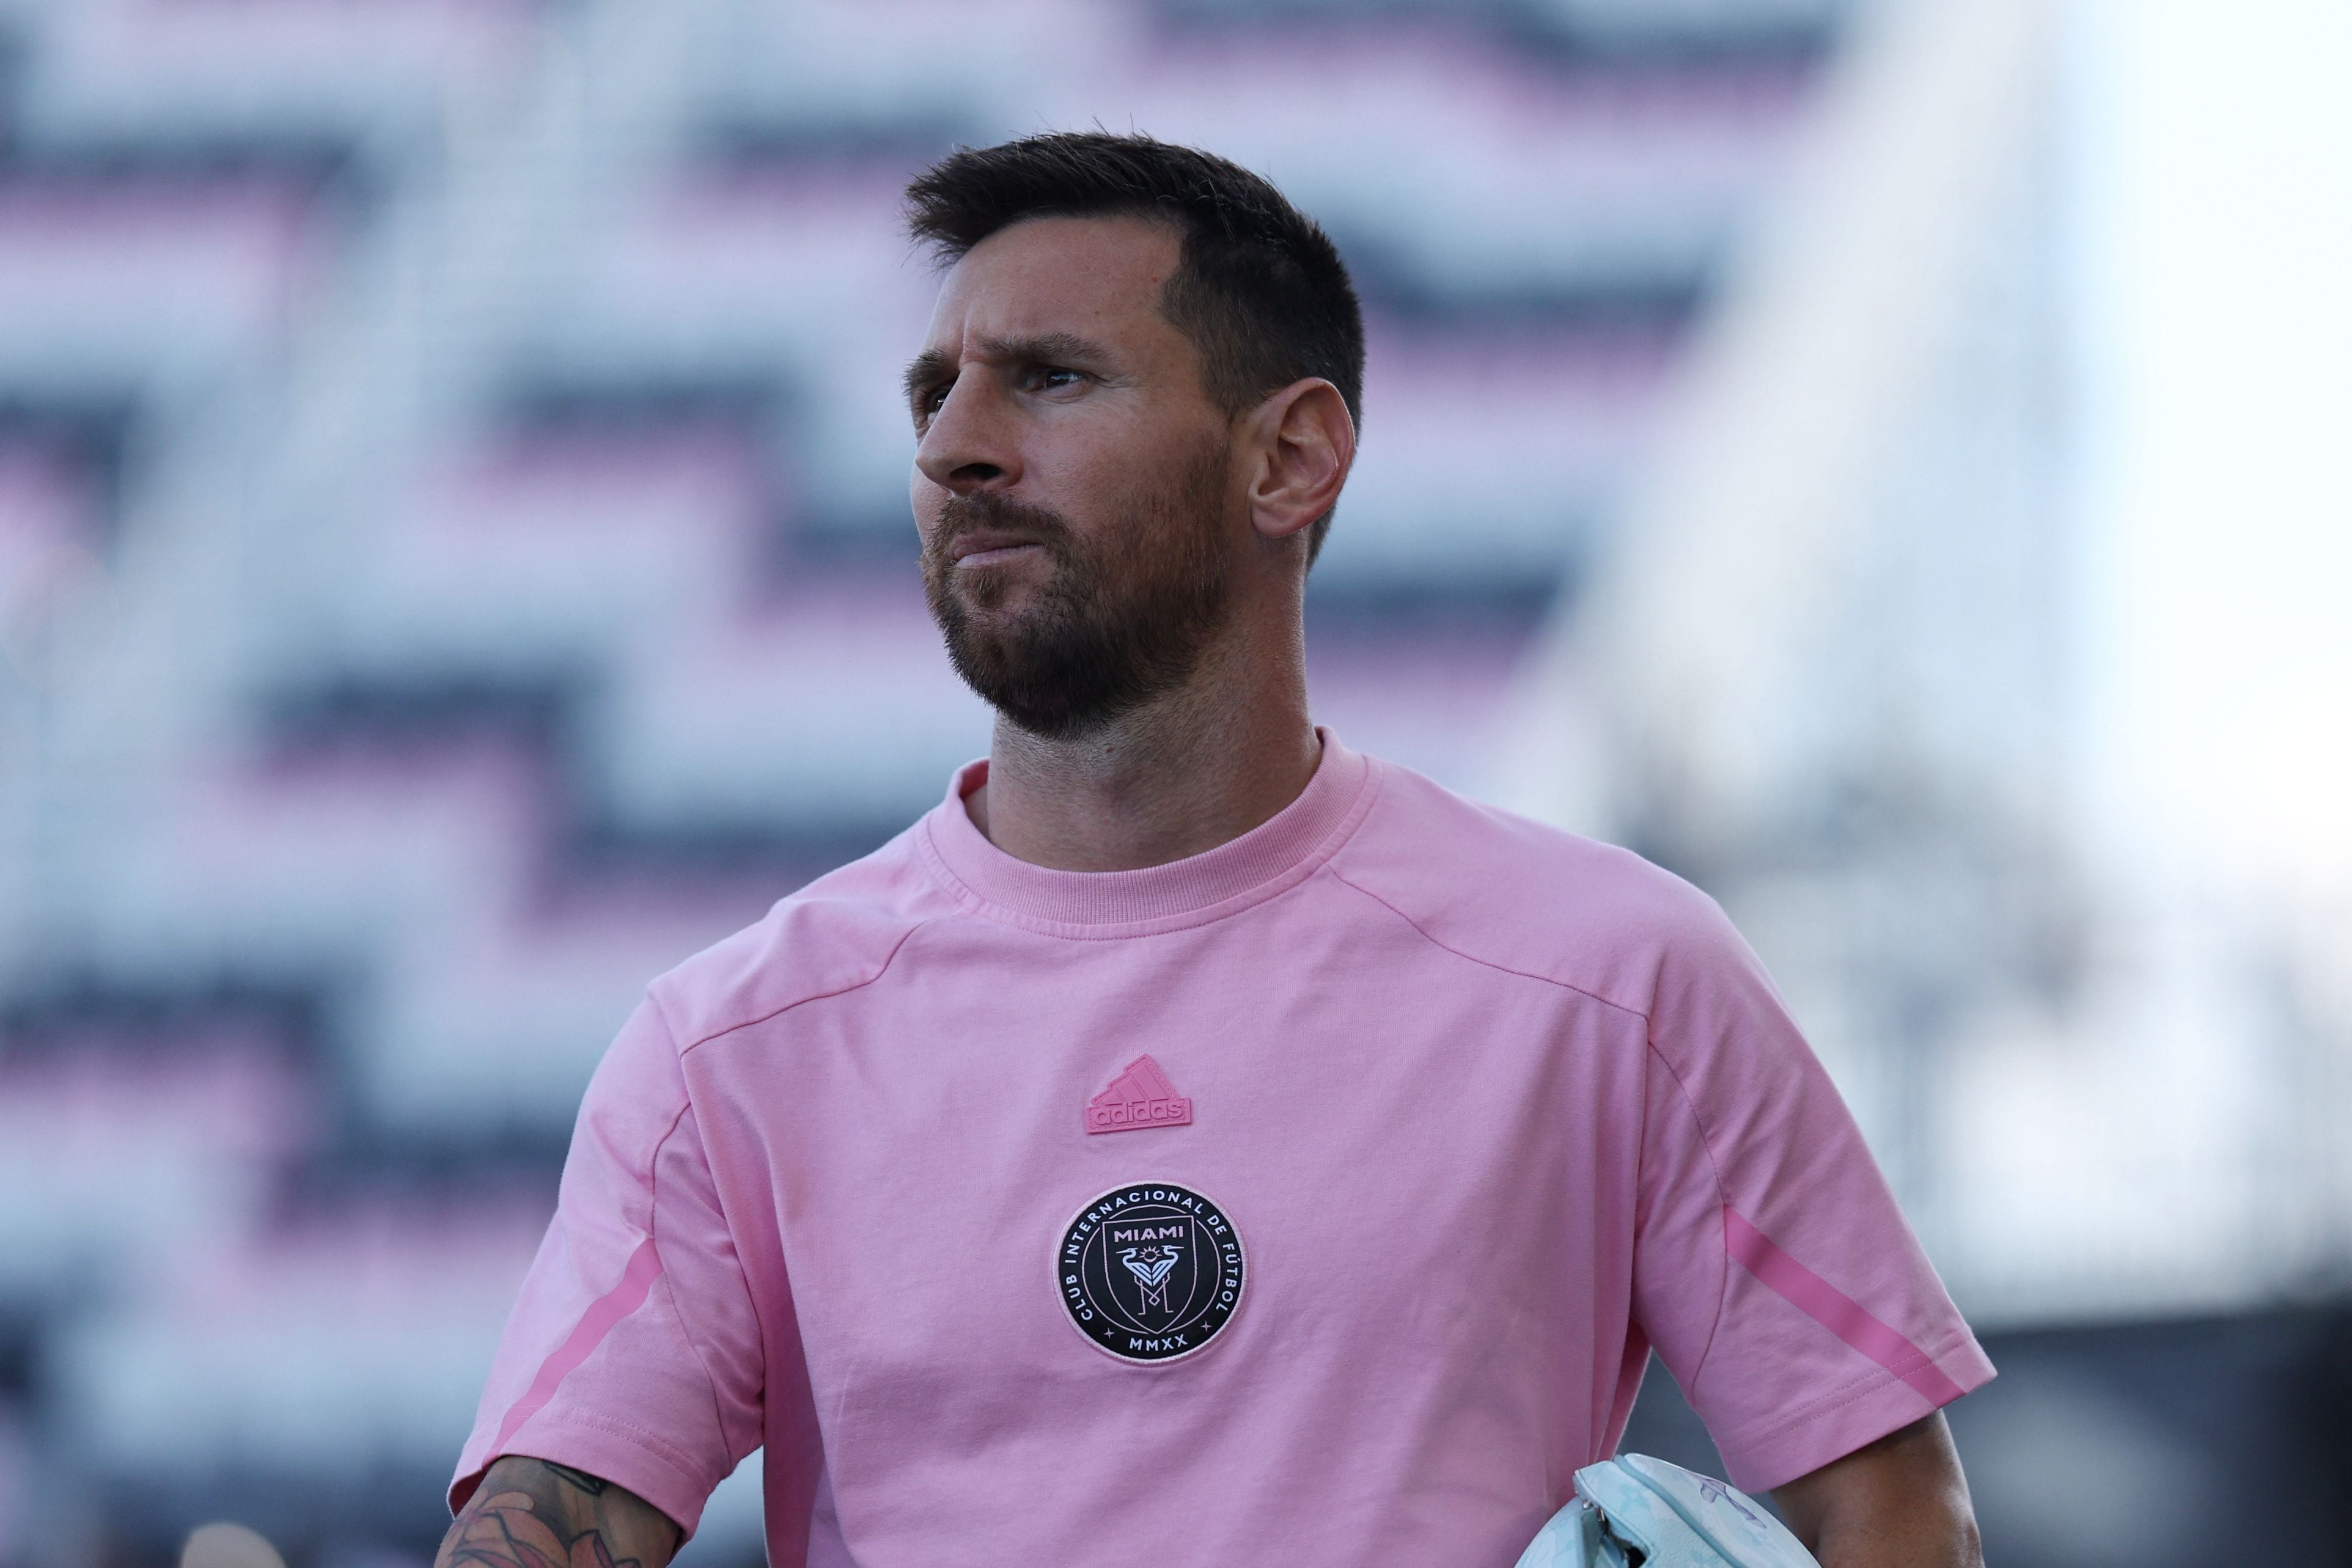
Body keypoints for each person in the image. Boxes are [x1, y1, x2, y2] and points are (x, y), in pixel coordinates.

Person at [438, 133, 1991, 1568]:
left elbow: (1885, 1497)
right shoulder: (728, 1047)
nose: (957, 448)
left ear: (1290, 459)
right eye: (932, 396)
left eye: (1047, 378)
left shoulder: (1615, 972)